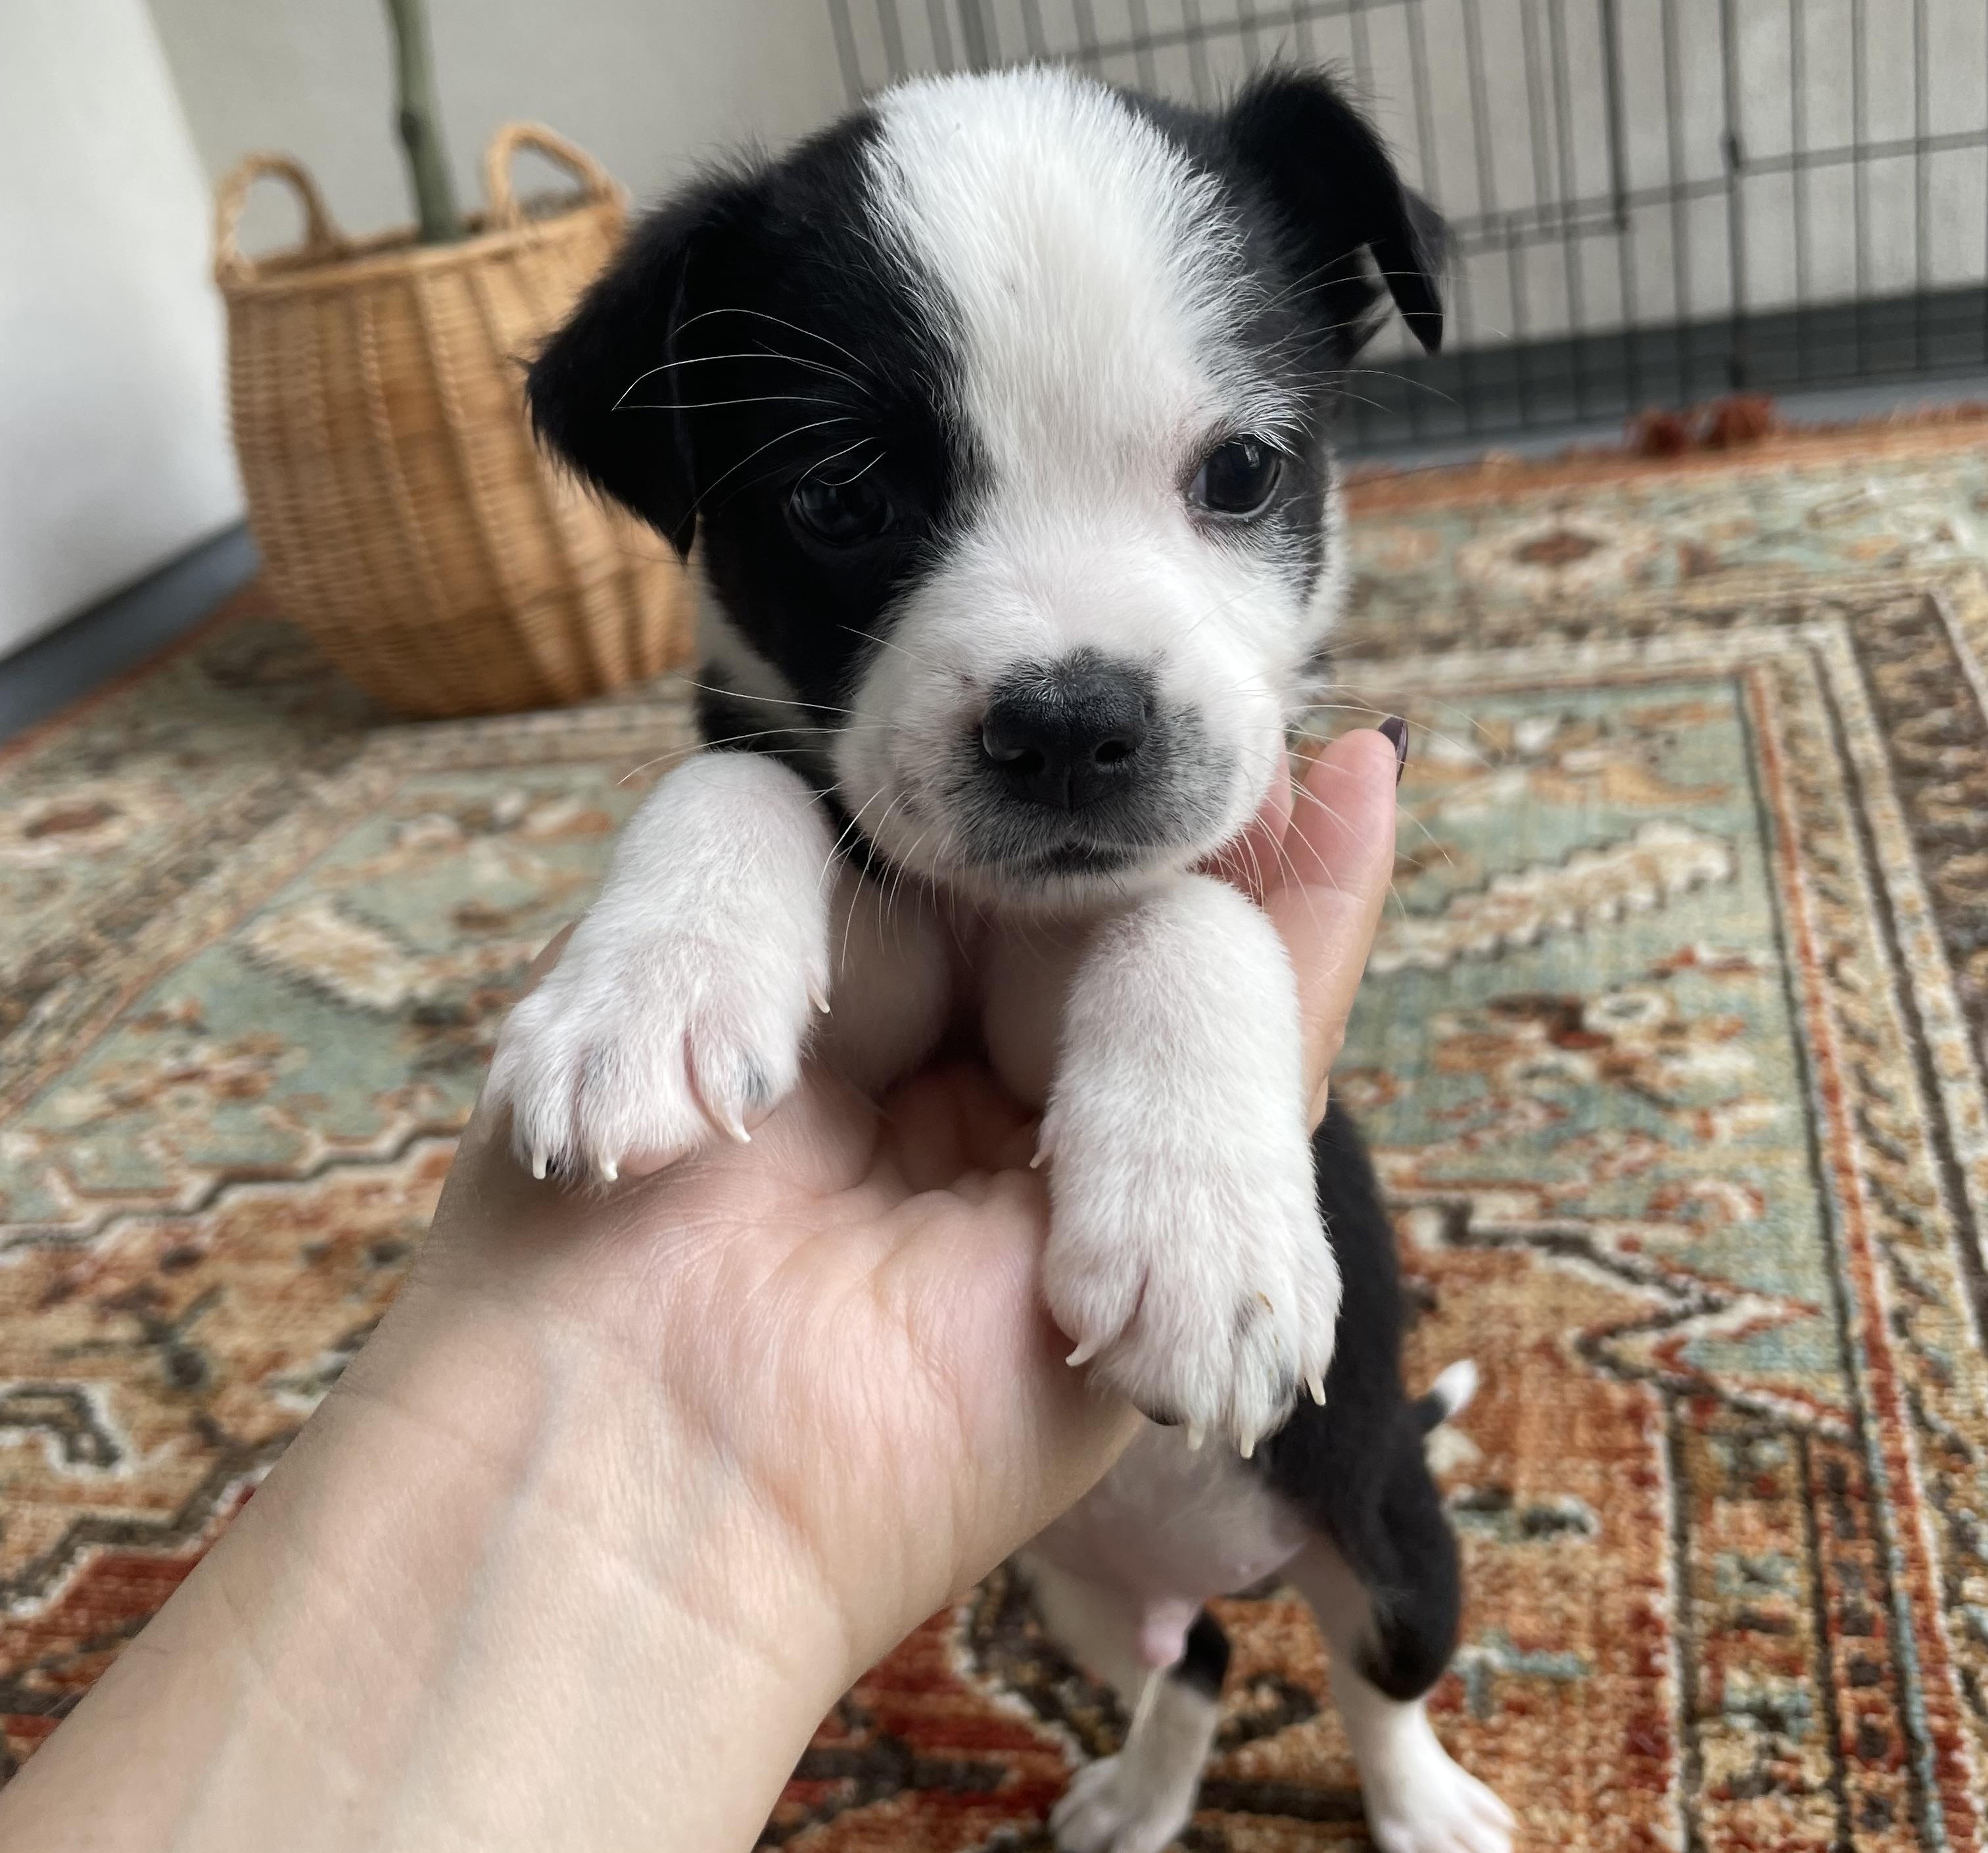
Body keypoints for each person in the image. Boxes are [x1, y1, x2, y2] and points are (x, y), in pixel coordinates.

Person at [0, 728, 1401, 1852]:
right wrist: (717, 828)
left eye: (1232, 479)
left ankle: (1401, 1744)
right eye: (855, 498)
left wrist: (1199, 1004)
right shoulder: (795, 809)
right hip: (1064, 1537)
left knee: (1389, 1593)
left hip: (1297, 1475)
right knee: (746, 783)